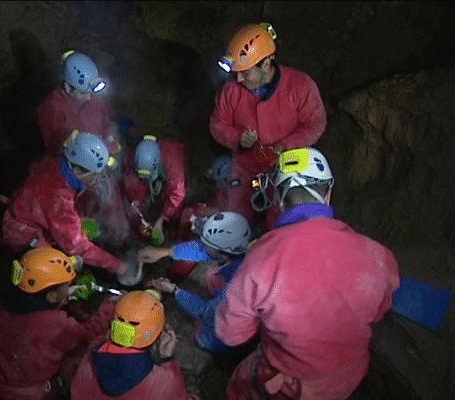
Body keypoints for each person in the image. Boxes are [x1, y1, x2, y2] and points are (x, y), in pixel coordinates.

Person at [214, 147, 400, 400]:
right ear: (329, 194)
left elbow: (231, 334)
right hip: (347, 377)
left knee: (240, 385)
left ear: (279, 199)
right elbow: (378, 311)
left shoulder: (261, 258)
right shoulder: (379, 256)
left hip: (288, 384)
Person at [210, 23, 327, 228]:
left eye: (245, 73)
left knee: (285, 223)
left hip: (286, 167)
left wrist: (284, 146)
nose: (238, 79)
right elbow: (217, 125)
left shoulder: (300, 86)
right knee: (236, 224)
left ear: (265, 64)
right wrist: (238, 139)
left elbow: (315, 124)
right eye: (236, 73)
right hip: (245, 168)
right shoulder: (231, 91)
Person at [0, 247, 120, 400]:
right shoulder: (55, 325)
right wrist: (111, 308)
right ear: (52, 294)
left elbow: (37, 308)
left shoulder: (7, 303)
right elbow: (88, 335)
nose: (69, 285)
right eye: (67, 284)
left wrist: (63, 297)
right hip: (23, 394)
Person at [1, 131, 136, 282]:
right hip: (24, 234)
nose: (97, 178)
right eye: (94, 173)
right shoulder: (58, 198)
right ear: (77, 171)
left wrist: (78, 220)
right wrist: (118, 266)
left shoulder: (55, 163)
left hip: (25, 210)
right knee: (59, 277)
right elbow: (76, 246)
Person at [35, 50, 128, 247]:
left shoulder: (94, 98)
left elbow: (105, 125)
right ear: (68, 87)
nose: (89, 98)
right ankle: (88, 254)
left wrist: (111, 143)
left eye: (91, 92)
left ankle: (119, 245)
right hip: (76, 175)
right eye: (83, 93)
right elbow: (54, 150)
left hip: (100, 167)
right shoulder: (51, 109)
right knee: (81, 220)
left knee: (113, 211)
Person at [140, 212, 251, 353]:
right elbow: (202, 250)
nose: (202, 245)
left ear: (221, 253)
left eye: (206, 244)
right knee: (212, 275)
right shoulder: (242, 248)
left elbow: (205, 312)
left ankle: (217, 349)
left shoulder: (237, 288)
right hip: (230, 293)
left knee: (203, 334)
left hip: (234, 326)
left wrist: (175, 291)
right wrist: (165, 252)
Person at [70, 290, 199, 400]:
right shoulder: (163, 381)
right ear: (156, 336)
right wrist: (168, 359)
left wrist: (116, 304)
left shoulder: (95, 346)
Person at [123, 135, 186, 244]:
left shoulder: (173, 162)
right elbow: (132, 185)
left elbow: (177, 194)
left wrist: (163, 218)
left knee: (171, 198)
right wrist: (137, 206)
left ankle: (172, 229)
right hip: (148, 168)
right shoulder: (132, 157)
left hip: (167, 164)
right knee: (136, 190)